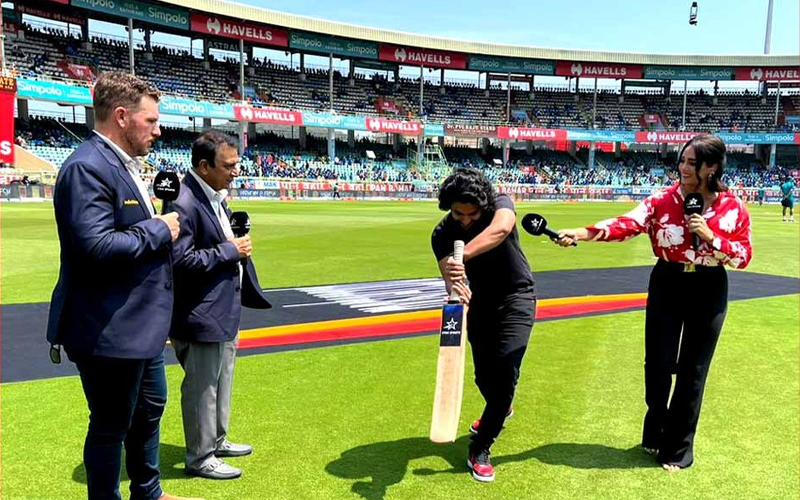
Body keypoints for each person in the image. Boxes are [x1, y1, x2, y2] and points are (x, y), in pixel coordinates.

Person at [45, 71, 201, 500]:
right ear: (121, 117)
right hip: (107, 327)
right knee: (111, 424)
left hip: (139, 325)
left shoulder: (120, 163)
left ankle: (147, 491)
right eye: (150, 121)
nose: (158, 128)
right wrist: (158, 229)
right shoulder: (86, 168)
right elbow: (94, 245)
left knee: (150, 409)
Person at [556, 135, 752, 471]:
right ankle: (656, 426)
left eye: (693, 162)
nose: (684, 168)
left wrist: (709, 236)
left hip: (710, 287)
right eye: (682, 160)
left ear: (712, 167)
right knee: (659, 364)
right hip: (668, 282)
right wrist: (582, 232)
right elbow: (627, 224)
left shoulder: (733, 208)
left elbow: (743, 255)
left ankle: (678, 448)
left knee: (693, 371)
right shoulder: (663, 199)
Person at [170, 130, 272, 480]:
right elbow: (180, 262)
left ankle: (217, 440)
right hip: (201, 312)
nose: (235, 171)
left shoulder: (215, 195)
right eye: (228, 166)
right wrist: (232, 250)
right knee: (203, 387)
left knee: (222, 380)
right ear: (203, 165)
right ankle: (200, 457)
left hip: (223, 307)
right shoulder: (183, 201)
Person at [430, 167, 536, 482]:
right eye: (457, 214)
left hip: (517, 296)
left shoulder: (499, 204)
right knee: (484, 378)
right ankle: (500, 408)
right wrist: (456, 287)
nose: (465, 220)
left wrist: (461, 257)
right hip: (478, 305)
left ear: (483, 205)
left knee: (506, 372)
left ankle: (481, 446)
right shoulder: (441, 235)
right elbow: (449, 278)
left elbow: (501, 230)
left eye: (471, 214)